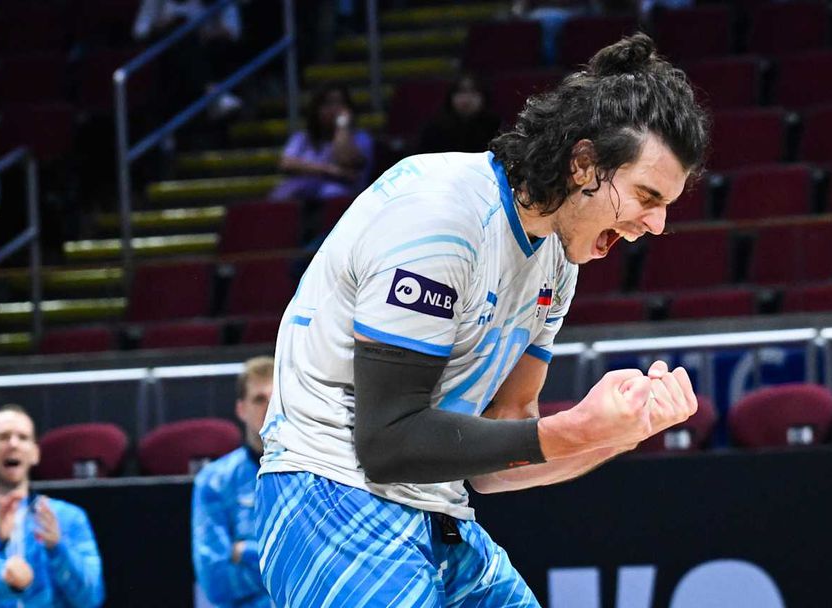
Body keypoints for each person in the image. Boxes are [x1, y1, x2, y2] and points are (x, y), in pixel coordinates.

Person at [256, 33, 708, 607]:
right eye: (647, 196)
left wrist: (615, 434)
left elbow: (497, 462)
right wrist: (578, 428)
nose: (658, 225)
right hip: (329, 494)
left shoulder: (557, 261)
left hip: (436, 511)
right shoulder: (441, 216)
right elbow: (387, 441)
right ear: (583, 164)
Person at [0, 404, 105, 607]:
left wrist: (58, 548)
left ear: (35, 453)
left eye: (23, 437)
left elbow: (91, 598)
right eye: (3, 436)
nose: (13, 444)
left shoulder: (67, 517)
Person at [192, 357, 274, 608]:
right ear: (241, 409)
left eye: (276, 398)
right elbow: (215, 582)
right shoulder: (214, 481)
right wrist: (284, 565)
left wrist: (244, 552)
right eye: (259, 399)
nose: (269, 408)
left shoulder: (310, 474)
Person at [268, 84, 374, 203]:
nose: (335, 108)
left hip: (343, 201)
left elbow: (346, 160)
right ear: (316, 109)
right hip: (304, 198)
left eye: (340, 103)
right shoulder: (302, 138)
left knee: (332, 193)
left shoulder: (361, 138)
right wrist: (330, 170)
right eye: (328, 103)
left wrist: (342, 125)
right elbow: (286, 163)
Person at [417, 73, 502, 155]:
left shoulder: (496, 127)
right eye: (461, 92)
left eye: (473, 92)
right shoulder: (434, 130)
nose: (466, 99)